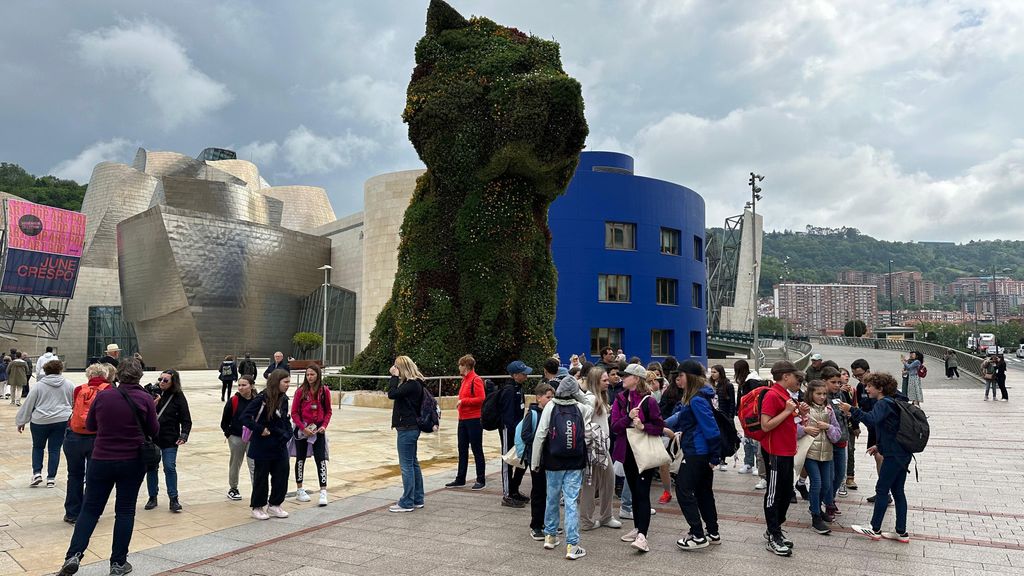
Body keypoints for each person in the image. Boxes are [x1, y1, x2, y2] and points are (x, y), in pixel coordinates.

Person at [56, 358, 156, 576]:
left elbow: (91, 425)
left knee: (90, 509)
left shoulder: (104, 396)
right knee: (125, 510)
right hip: (132, 461)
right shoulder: (145, 398)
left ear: (118, 375)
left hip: (101, 459)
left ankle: (73, 555)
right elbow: (153, 429)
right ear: (140, 376)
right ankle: (118, 563)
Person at [842, 372, 912, 543]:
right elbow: (892, 430)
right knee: (898, 491)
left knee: (882, 490)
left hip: (894, 455)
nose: (866, 389)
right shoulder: (894, 401)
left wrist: (851, 409)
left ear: (879, 388)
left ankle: (874, 529)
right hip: (902, 452)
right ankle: (901, 532)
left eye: (869, 386)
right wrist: (879, 446)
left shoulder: (883, 403)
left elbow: (871, 420)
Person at [530, 371, 592, 560]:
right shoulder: (581, 408)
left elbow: (541, 435)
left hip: (553, 461)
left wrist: (534, 462)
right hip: (575, 461)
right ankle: (572, 545)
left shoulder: (550, 406)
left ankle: (550, 536)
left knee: (552, 497)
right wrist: (579, 392)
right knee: (572, 501)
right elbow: (593, 405)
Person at [611, 363, 669, 553]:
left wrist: (644, 427)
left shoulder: (648, 401)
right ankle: (637, 528)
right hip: (626, 452)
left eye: (626, 375)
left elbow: (659, 426)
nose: (622, 378)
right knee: (635, 492)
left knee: (642, 492)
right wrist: (628, 418)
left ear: (636, 378)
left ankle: (643, 535)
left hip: (643, 452)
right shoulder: (620, 398)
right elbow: (615, 427)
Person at [665, 360, 722, 550]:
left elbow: (711, 430)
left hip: (697, 452)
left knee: (683, 490)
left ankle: (698, 535)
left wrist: (715, 457)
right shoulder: (697, 397)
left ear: (689, 377)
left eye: (679, 376)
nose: (677, 379)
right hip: (701, 452)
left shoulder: (697, 399)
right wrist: (658, 425)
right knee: (704, 492)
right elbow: (679, 419)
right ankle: (712, 532)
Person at [761, 360, 803, 557]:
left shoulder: (786, 395)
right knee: (774, 494)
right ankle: (773, 535)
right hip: (775, 452)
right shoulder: (772, 395)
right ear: (786, 376)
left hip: (787, 451)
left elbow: (791, 422)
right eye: (795, 376)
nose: (798, 380)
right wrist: (787, 411)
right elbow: (766, 425)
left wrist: (800, 413)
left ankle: (775, 528)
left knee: (786, 493)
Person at [240, 369, 292, 520]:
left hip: (279, 444)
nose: (288, 385)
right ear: (277, 382)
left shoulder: (284, 399)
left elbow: (285, 419)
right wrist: (260, 429)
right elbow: (245, 417)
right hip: (263, 445)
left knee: (282, 474)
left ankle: (275, 504)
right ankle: (257, 506)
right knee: (261, 477)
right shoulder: (262, 398)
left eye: (288, 382)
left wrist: (288, 434)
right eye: (286, 382)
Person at [63, 364, 112, 524]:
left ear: (88, 375)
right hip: (96, 437)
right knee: (94, 477)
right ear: (105, 375)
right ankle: (89, 513)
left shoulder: (79, 389)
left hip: (74, 435)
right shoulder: (109, 389)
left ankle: (71, 513)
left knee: (74, 475)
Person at [16, 359, 73, 488]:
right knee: (54, 449)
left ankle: (37, 473)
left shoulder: (38, 385)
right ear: (60, 370)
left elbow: (29, 404)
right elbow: (74, 402)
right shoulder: (69, 384)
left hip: (40, 420)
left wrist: (22, 420)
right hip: (61, 420)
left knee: (37, 447)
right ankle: (51, 478)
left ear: (45, 371)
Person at [579, 366, 621, 531]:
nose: (608, 382)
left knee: (606, 482)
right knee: (592, 484)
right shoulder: (591, 399)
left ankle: (603, 517)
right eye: (604, 380)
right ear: (596, 382)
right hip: (595, 448)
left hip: (600, 448)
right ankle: (589, 520)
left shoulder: (600, 397)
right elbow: (584, 424)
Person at [144, 370, 192, 513]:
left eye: (166, 380)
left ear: (173, 382)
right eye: (160, 379)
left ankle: (174, 498)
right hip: (153, 439)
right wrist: (153, 402)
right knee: (151, 468)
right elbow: (142, 413)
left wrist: (184, 435)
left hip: (170, 438)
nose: (162, 382)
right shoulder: (151, 394)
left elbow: (186, 419)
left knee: (169, 467)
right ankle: (152, 497)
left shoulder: (178, 396)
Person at [800, 379, 841, 535]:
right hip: (810, 452)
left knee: (826, 485)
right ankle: (816, 516)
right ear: (810, 393)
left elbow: (837, 434)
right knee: (816, 483)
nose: (822, 396)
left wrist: (828, 426)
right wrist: (806, 429)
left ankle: (815, 507)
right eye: (818, 393)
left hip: (827, 453)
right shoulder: (804, 409)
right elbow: (795, 428)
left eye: (824, 393)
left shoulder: (829, 410)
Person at [387, 355, 426, 513]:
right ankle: (417, 498)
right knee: (413, 464)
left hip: (407, 428)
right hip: (411, 428)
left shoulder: (411, 384)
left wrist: (394, 377)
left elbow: (392, 394)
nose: (394, 369)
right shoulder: (416, 384)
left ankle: (407, 502)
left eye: (396, 367)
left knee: (406, 466)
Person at [291, 364, 332, 507]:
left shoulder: (324, 391)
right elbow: (294, 413)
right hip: (303, 430)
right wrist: (302, 428)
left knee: (320, 460)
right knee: (300, 459)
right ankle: (299, 489)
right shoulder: (300, 391)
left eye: (312, 374)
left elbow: (328, 411)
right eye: (307, 374)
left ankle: (323, 490)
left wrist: (324, 426)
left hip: (318, 430)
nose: (310, 377)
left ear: (318, 375)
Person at [520, 378, 555, 540]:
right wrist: (542, 436)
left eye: (552, 397)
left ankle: (548, 522)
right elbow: (525, 435)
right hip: (536, 460)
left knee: (550, 492)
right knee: (539, 492)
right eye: (548, 397)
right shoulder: (532, 414)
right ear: (538, 398)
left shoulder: (553, 413)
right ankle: (536, 524)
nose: (550, 400)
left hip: (549, 459)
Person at [445, 354, 486, 490]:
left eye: (460, 365)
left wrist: (464, 401)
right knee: (462, 449)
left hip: (474, 419)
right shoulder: (464, 380)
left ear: (466, 366)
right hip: (463, 419)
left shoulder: (476, 380)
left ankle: (481, 479)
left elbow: (481, 398)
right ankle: (460, 478)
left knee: (476, 449)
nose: (459, 368)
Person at [221, 375, 257, 501]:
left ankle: (257, 490)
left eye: (244, 385)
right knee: (235, 463)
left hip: (253, 437)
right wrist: (228, 433)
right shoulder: (234, 400)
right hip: (236, 437)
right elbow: (224, 421)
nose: (241, 388)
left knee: (254, 464)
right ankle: (233, 488)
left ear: (251, 386)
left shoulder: (257, 400)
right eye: (239, 385)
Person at [499, 361, 530, 507]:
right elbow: (507, 416)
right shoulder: (509, 390)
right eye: (523, 374)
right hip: (508, 430)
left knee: (521, 460)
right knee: (507, 461)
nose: (526, 376)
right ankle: (507, 495)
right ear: (515, 375)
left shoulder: (518, 388)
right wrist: (512, 432)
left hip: (517, 431)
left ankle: (514, 490)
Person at [735, 359, 767, 487]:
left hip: (752, 416)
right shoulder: (743, 381)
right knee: (747, 440)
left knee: (755, 441)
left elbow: (756, 400)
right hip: (745, 415)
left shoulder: (752, 381)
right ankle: (748, 463)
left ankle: (758, 467)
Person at [824, 367, 852, 503]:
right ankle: (828, 502)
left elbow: (846, 415)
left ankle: (830, 499)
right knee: (829, 476)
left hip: (842, 440)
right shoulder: (820, 396)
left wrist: (849, 414)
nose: (836, 385)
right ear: (824, 382)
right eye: (833, 382)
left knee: (840, 474)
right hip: (827, 442)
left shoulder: (841, 395)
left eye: (838, 382)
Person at [709, 364, 734, 471]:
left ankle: (723, 459)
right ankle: (714, 457)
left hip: (723, 416)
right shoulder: (709, 384)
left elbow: (732, 403)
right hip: (711, 415)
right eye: (712, 372)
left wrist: (730, 417)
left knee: (723, 437)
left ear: (720, 372)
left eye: (715, 372)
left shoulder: (727, 385)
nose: (713, 374)